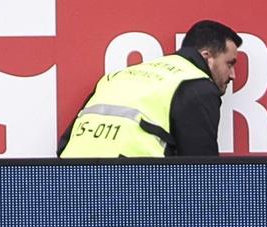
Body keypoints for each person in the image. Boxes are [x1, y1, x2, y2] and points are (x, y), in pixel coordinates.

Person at [58, 19, 243, 155]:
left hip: (72, 182)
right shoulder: (197, 85)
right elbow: (200, 169)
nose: (233, 75)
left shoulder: (118, 76)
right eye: (229, 63)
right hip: (136, 185)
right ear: (206, 56)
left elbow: (64, 143)